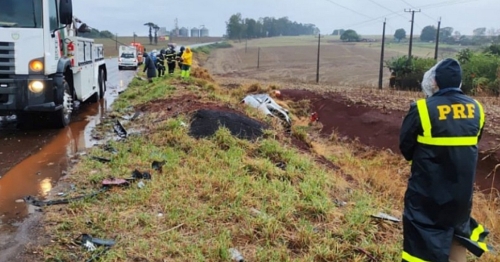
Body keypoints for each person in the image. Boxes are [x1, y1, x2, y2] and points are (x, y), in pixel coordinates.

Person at [399, 58, 492, 262]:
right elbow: (473, 142)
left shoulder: (422, 108)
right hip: (460, 195)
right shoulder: (477, 109)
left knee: (421, 244)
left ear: (435, 82)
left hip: (427, 194)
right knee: (456, 236)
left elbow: (406, 148)